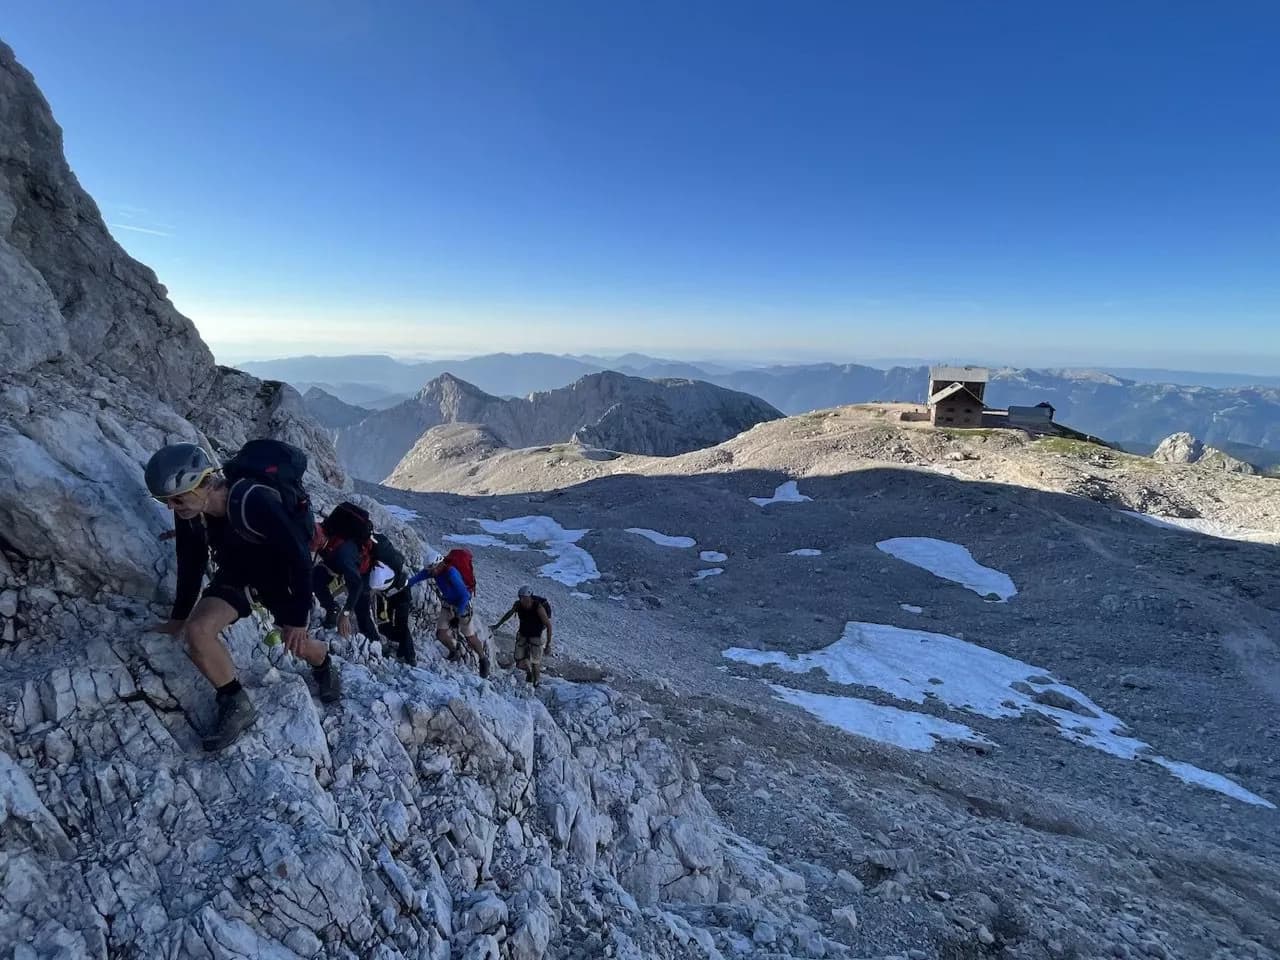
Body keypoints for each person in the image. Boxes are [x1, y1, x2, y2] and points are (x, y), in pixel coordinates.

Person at [145, 442, 341, 751]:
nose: (171, 507)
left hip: (280, 580)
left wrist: (298, 619)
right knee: (197, 632)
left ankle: (324, 662)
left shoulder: (253, 500)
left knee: (298, 646)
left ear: (201, 484)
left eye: (175, 499)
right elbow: (191, 561)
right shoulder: (191, 512)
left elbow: (299, 557)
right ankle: (235, 702)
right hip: (236, 574)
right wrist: (178, 618)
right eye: (165, 500)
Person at [313, 515, 416, 666]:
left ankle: (390, 651)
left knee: (365, 613)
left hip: (363, 576)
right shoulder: (334, 534)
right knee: (371, 617)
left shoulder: (344, 554)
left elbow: (357, 585)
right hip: (361, 573)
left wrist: (346, 613)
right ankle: (380, 646)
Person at [404, 552, 489, 677]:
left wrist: (457, 615)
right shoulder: (434, 570)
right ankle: (455, 652)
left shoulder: (452, 573)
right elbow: (417, 578)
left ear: (438, 565)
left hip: (462, 606)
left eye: (432, 570)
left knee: (469, 637)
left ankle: (483, 660)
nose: (430, 573)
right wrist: (404, 584)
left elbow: (465, 595)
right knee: (441, 634)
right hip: (448, 604)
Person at [489, 586, 552, 685]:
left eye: (524, 598)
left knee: (535, 661)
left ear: (530, 597)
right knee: (519, 659)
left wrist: (548, 644)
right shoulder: (519, 605)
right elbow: (509, 614)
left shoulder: (538, 607)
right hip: (523, 634)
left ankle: (536, 681)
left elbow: (548, 625)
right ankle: (529, 673)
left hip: (536, 636)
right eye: (521, 598)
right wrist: (497, 625)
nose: (523, 600)